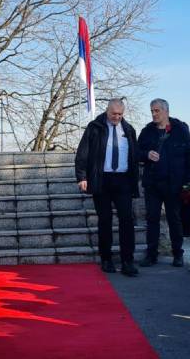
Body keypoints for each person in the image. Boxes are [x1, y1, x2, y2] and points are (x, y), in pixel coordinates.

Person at [75, 99, 139, 276]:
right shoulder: (94, 127)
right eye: (114, 114)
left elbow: (134, 153)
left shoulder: (129, 129)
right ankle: (106, 259)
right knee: (105, 220)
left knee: (127, 220)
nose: (117, 117)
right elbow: (83, 153)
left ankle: (128, 261)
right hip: (101, 180)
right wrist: (82, 176)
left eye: (120, 114)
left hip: (123, 180)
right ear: (107, 111)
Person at [138, 99, 190, 268]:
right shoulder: (147, 131)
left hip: (175, 184)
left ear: (166, 111)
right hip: (153, 184)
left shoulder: (180, 129)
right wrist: (146, 154)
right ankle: (151, 254)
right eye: (152, 111)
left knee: (174, 219)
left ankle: (178, 254)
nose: (154, 114)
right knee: (152, 219)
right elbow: (136, 152)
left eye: (157, 110)